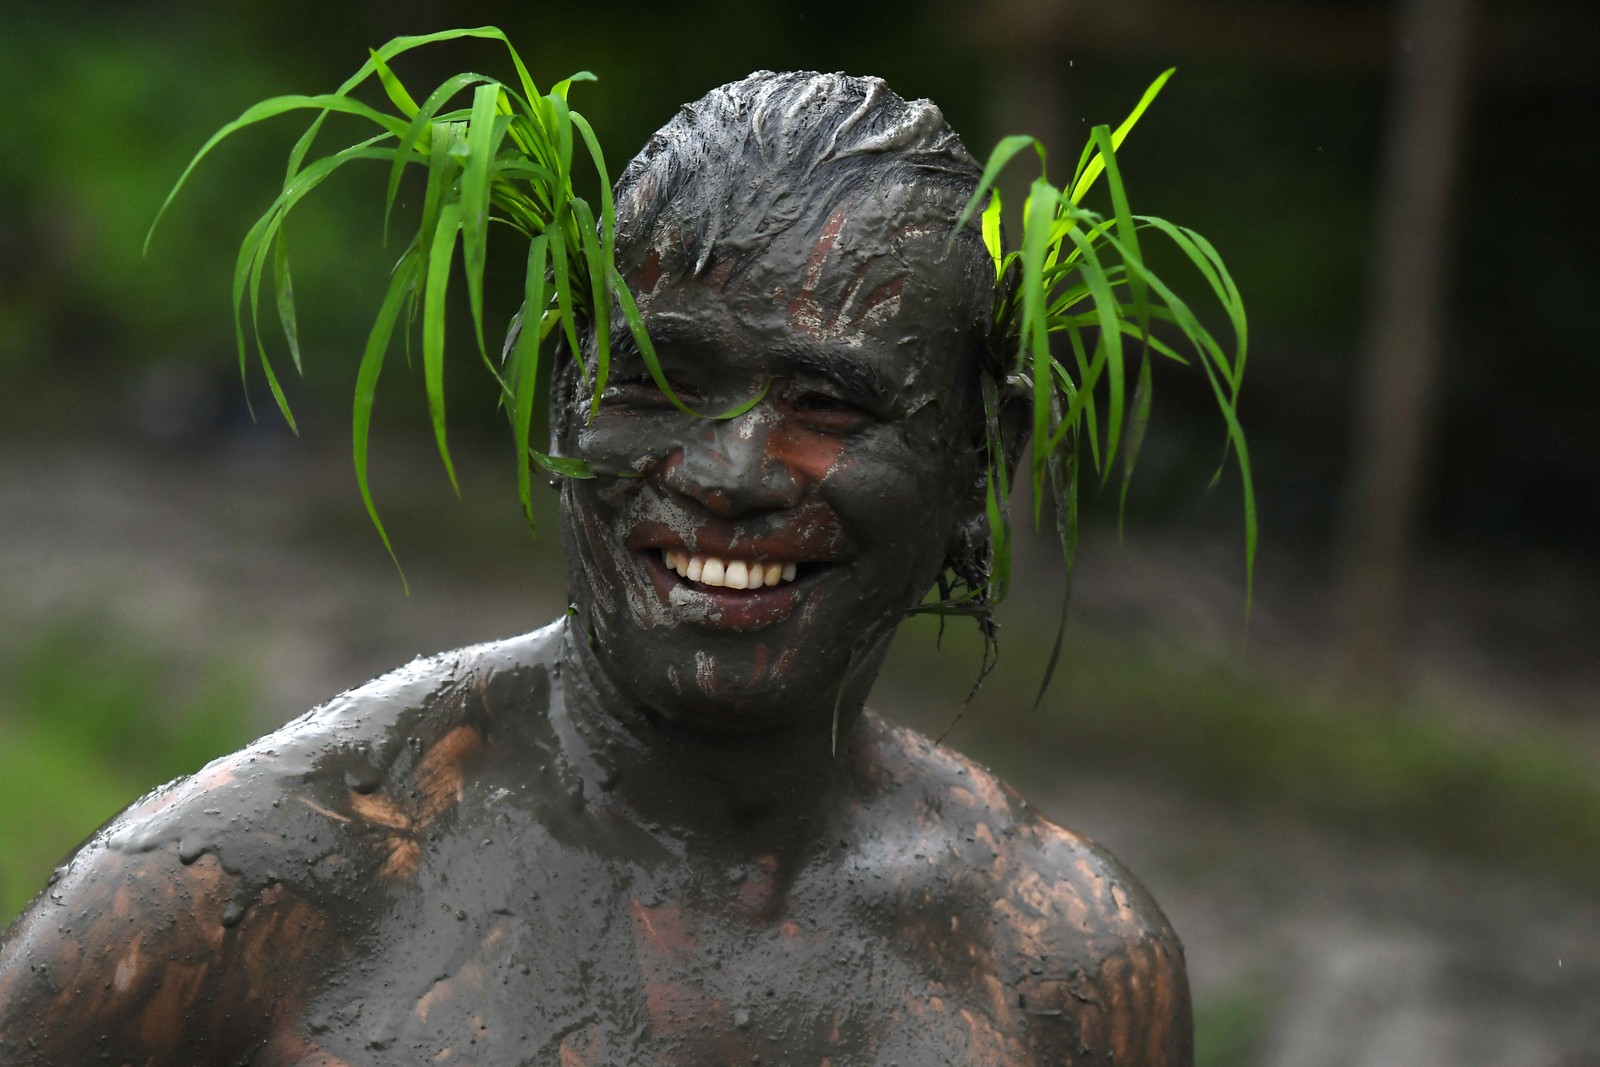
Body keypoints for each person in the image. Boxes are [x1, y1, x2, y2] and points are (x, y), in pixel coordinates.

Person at [0, 71, 1191, 1065]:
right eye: (657, 377)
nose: (728, 470)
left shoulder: (1060, 964)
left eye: (829, 402)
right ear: (559, 391)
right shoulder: (237, 893)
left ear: (981, 463)